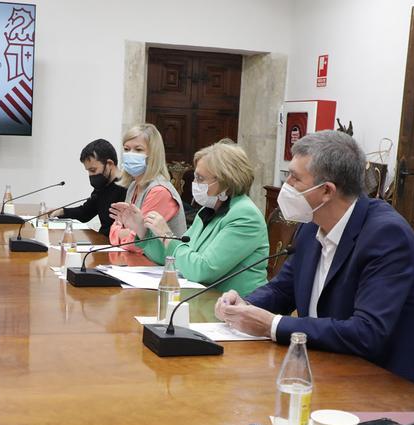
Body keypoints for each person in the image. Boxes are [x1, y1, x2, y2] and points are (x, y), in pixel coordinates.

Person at [214, 131, 414, 388]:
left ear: (327, 191)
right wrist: (244, 306)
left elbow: (367, 333)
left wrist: (271, 325)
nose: (286, 186)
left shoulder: (387, 236)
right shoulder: (311, 226)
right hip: (325, 368)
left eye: (294, 178)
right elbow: (283, 289)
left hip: (384, 384)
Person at [142, 140, 269, 296]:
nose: (194, 184)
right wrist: (142, 231)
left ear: (226, 182)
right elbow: (175, 257)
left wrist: (167, 236)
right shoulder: (209, 210)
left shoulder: (245, 216)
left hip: (236, 304)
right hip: (204, 298)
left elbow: (203, 270)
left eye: (200, 179)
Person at [107, 123, 186, 261]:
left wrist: (121, 233)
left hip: (163, 267)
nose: (130, 154)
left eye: (138, 150)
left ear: (153, 155)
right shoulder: (133, 186)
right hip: (138, 263)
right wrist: (122, 232)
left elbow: (137, 242)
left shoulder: (159, 190)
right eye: (126, 149)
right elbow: (116, 228)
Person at [55, 138, 127, 236]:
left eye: (93, 170)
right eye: (88, 171)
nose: (90, 175)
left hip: (116, 242)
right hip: (102, 241)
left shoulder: (126, 188)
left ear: (109, 164)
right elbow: (85, 213)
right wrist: (61, 212)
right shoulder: (102, 186)